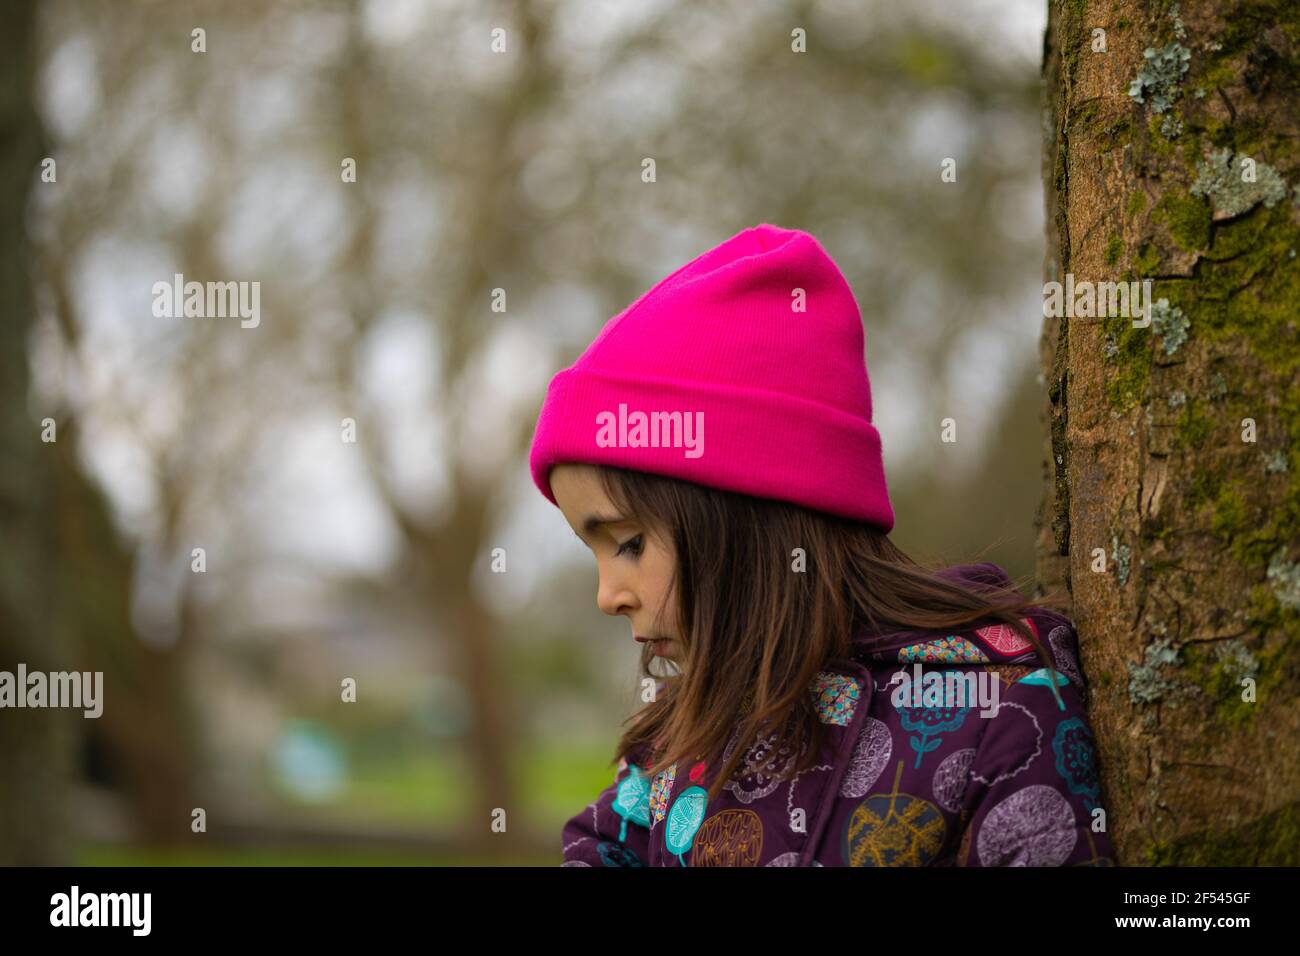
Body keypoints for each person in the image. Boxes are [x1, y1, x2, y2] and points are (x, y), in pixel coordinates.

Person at [528, 223, 1116, 867]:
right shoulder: (680, 740)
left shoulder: (1002, 718)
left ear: (750, 513)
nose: (606, 596)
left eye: (630, 544)